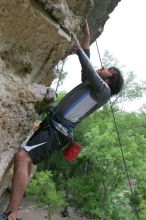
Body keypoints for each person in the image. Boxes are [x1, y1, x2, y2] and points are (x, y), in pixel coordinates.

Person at [0, 20, 124, 220]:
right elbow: (87, 60)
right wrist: (85, 35)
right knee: (29, 161)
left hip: (57, 131)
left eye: (108, 69)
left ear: (109, 80)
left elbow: (87, 64)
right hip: (54, 127)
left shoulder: (103, 91)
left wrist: (75, 43)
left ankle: (12, 214)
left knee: (23, 158)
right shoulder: (92, 85)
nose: (103, 67)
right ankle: (14, 208)